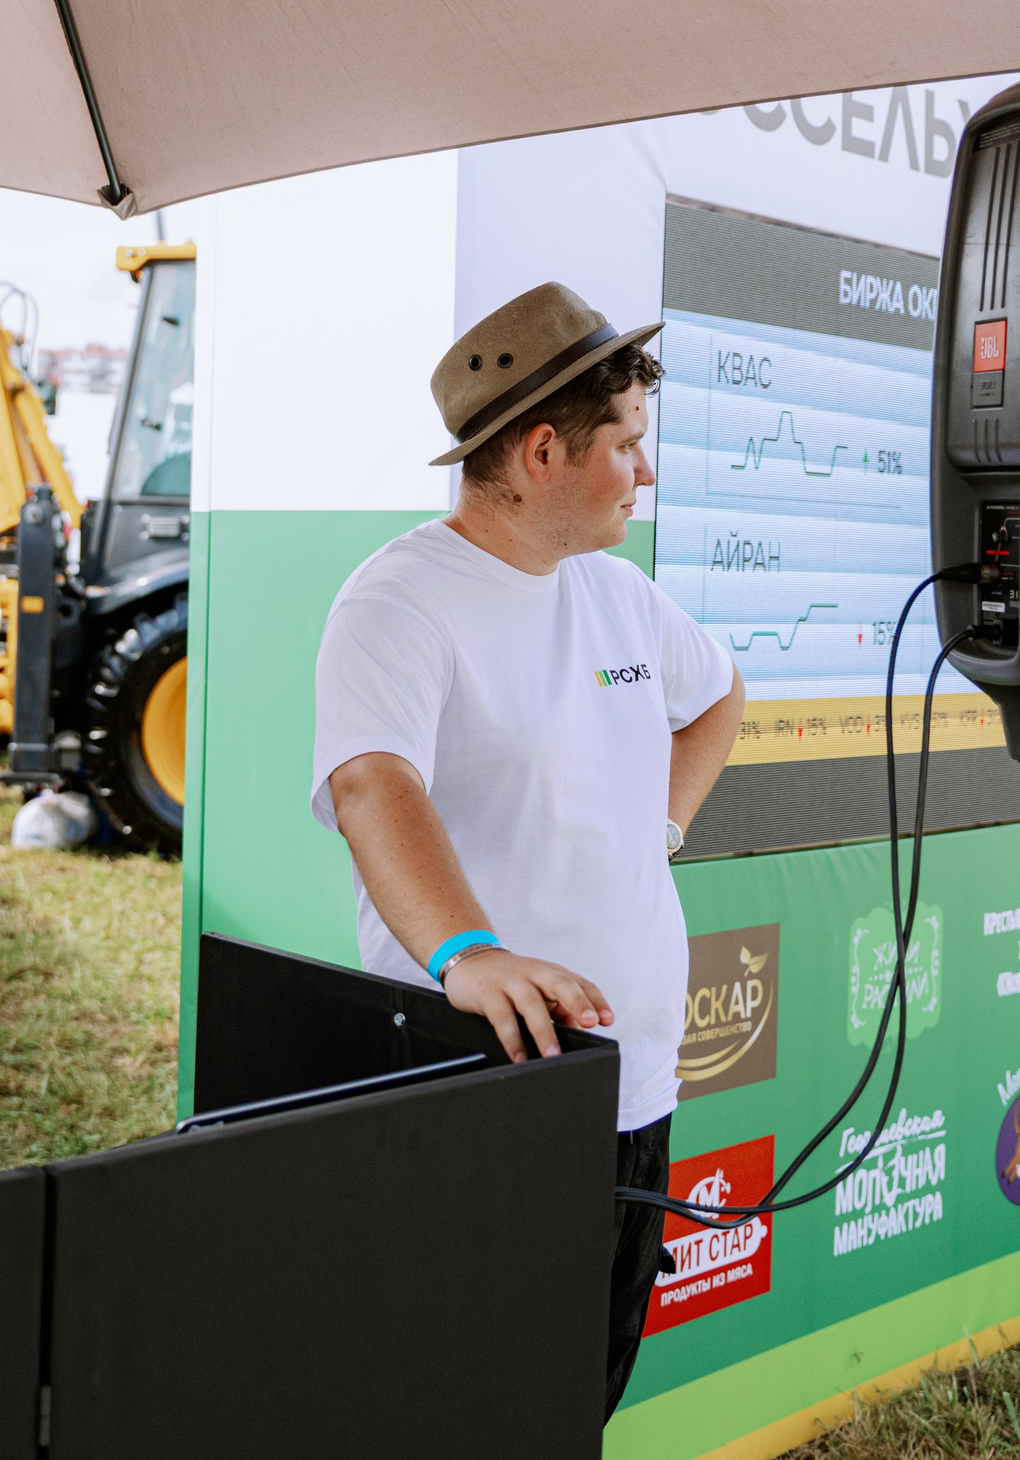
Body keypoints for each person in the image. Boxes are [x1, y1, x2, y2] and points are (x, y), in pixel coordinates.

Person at [310, 282, 745, 1417]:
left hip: (633, 1086)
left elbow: (718, 697)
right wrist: (468, 951)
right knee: (456, 1408)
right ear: (543, 450)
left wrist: (658, 830)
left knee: (576, 1404)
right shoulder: (398, 602)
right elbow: (371, 782)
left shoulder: (619, 595)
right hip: (480, 1091)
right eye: (625, 446)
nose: (641, 472)